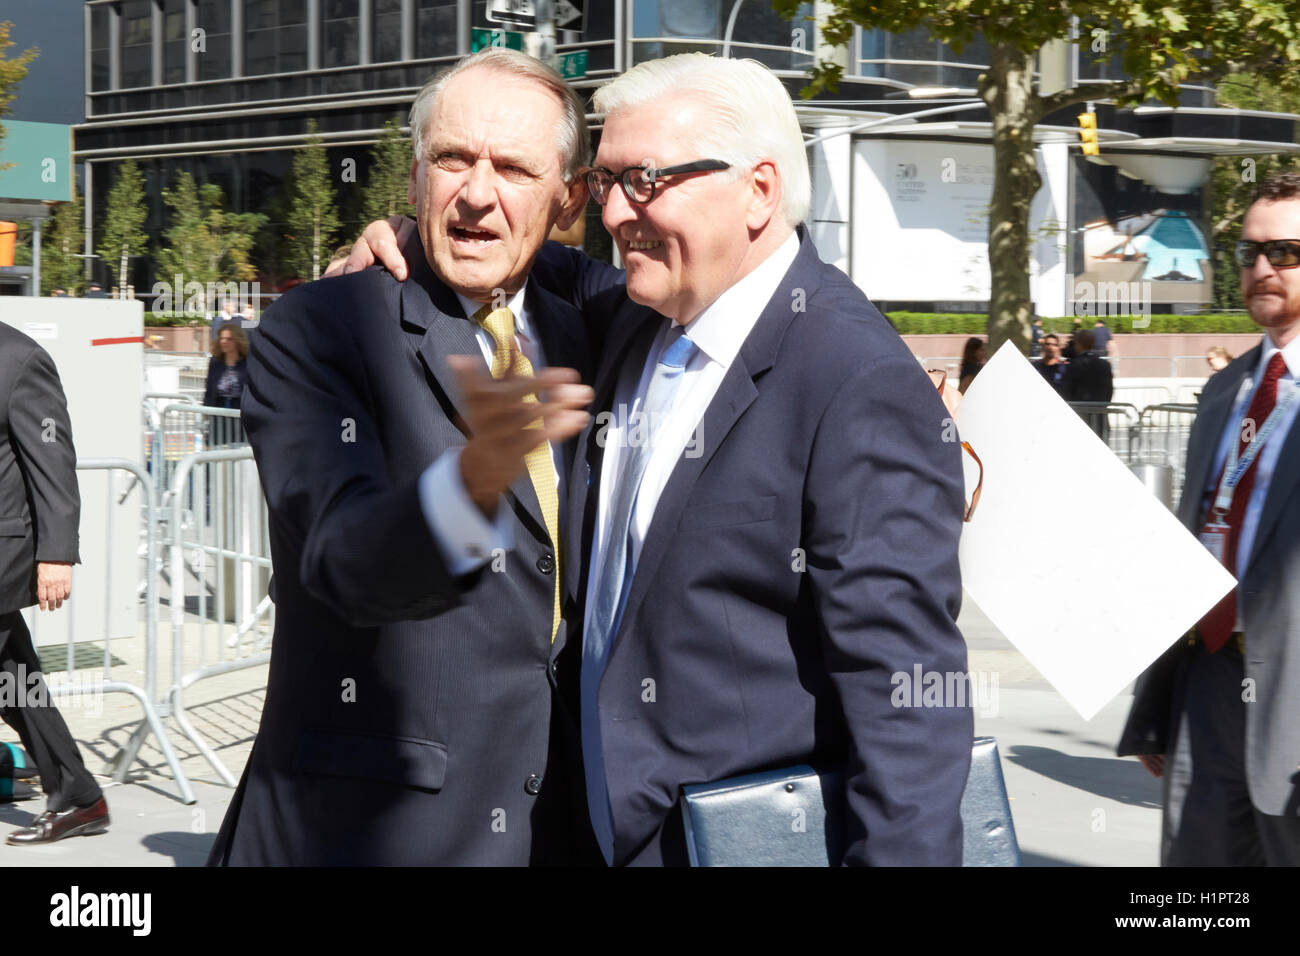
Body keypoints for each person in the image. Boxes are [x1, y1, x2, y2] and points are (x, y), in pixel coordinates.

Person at [350, 53, 971, 867]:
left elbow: (907, 704)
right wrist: (413, 233)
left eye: (646, 180)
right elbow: (512, 247)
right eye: (607, 181)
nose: (614, 213)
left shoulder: (854, 380)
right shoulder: (635, 313)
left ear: (759, 190)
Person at [207, 48, 597, 866]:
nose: (477, 193)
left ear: (567, 197)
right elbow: (345, 562)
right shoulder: (322, 329)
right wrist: (475, 479)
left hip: (551, 825)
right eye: (453, 159)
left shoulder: (589, 320)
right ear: (416, 176)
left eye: (514, 169)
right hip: (368, 834)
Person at [1119, 172, 1300, 865]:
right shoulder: (1225, 391)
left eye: (1285, 252)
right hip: (1209, 684)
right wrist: (1159, 700)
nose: (1262, 268)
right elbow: (1194, 543)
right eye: (1249, 252)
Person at [0, 322, 110, 845]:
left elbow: (53, 462)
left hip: (5, 549)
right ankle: (80, 797)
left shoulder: (18, 358)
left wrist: (57, 554)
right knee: (15, 682)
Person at [1063, 328, 1114, 440]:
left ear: (1078, 344)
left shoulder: (1073, 365)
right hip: (1100, 419)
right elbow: (1109, 391)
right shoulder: (1105, 365)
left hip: (1080, 419)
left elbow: (1066, 392)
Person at [203, 325, 250, 445]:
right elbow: (209, 389)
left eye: (229, 339)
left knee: (239, 447)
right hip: (218, 410)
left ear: (237, 341)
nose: (224, 342)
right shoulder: (215, 362)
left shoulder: (248, 363)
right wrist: (205, 412)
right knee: (217, 445)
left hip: (240, 412)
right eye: (222, 338)